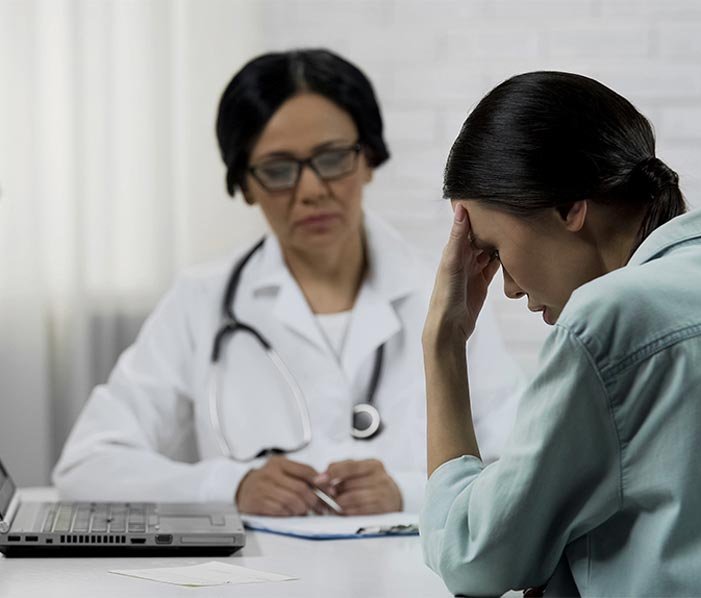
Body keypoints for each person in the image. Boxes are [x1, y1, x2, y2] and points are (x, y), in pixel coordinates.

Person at [53, 49, 521, 517]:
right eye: (278, 170)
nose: (312, 190)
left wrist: (407, 491)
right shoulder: (202, 300)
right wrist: (231, 484)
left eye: (333, 158)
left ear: (369, 159)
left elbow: (519, 466)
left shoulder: (447, 294)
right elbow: (86, 465)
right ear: (245, 185)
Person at [420, 70, 701, 596]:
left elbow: (477, 557)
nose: (504, 286)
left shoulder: (610, 318)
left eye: (495, 250)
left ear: (571, 206)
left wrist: (443, 348)